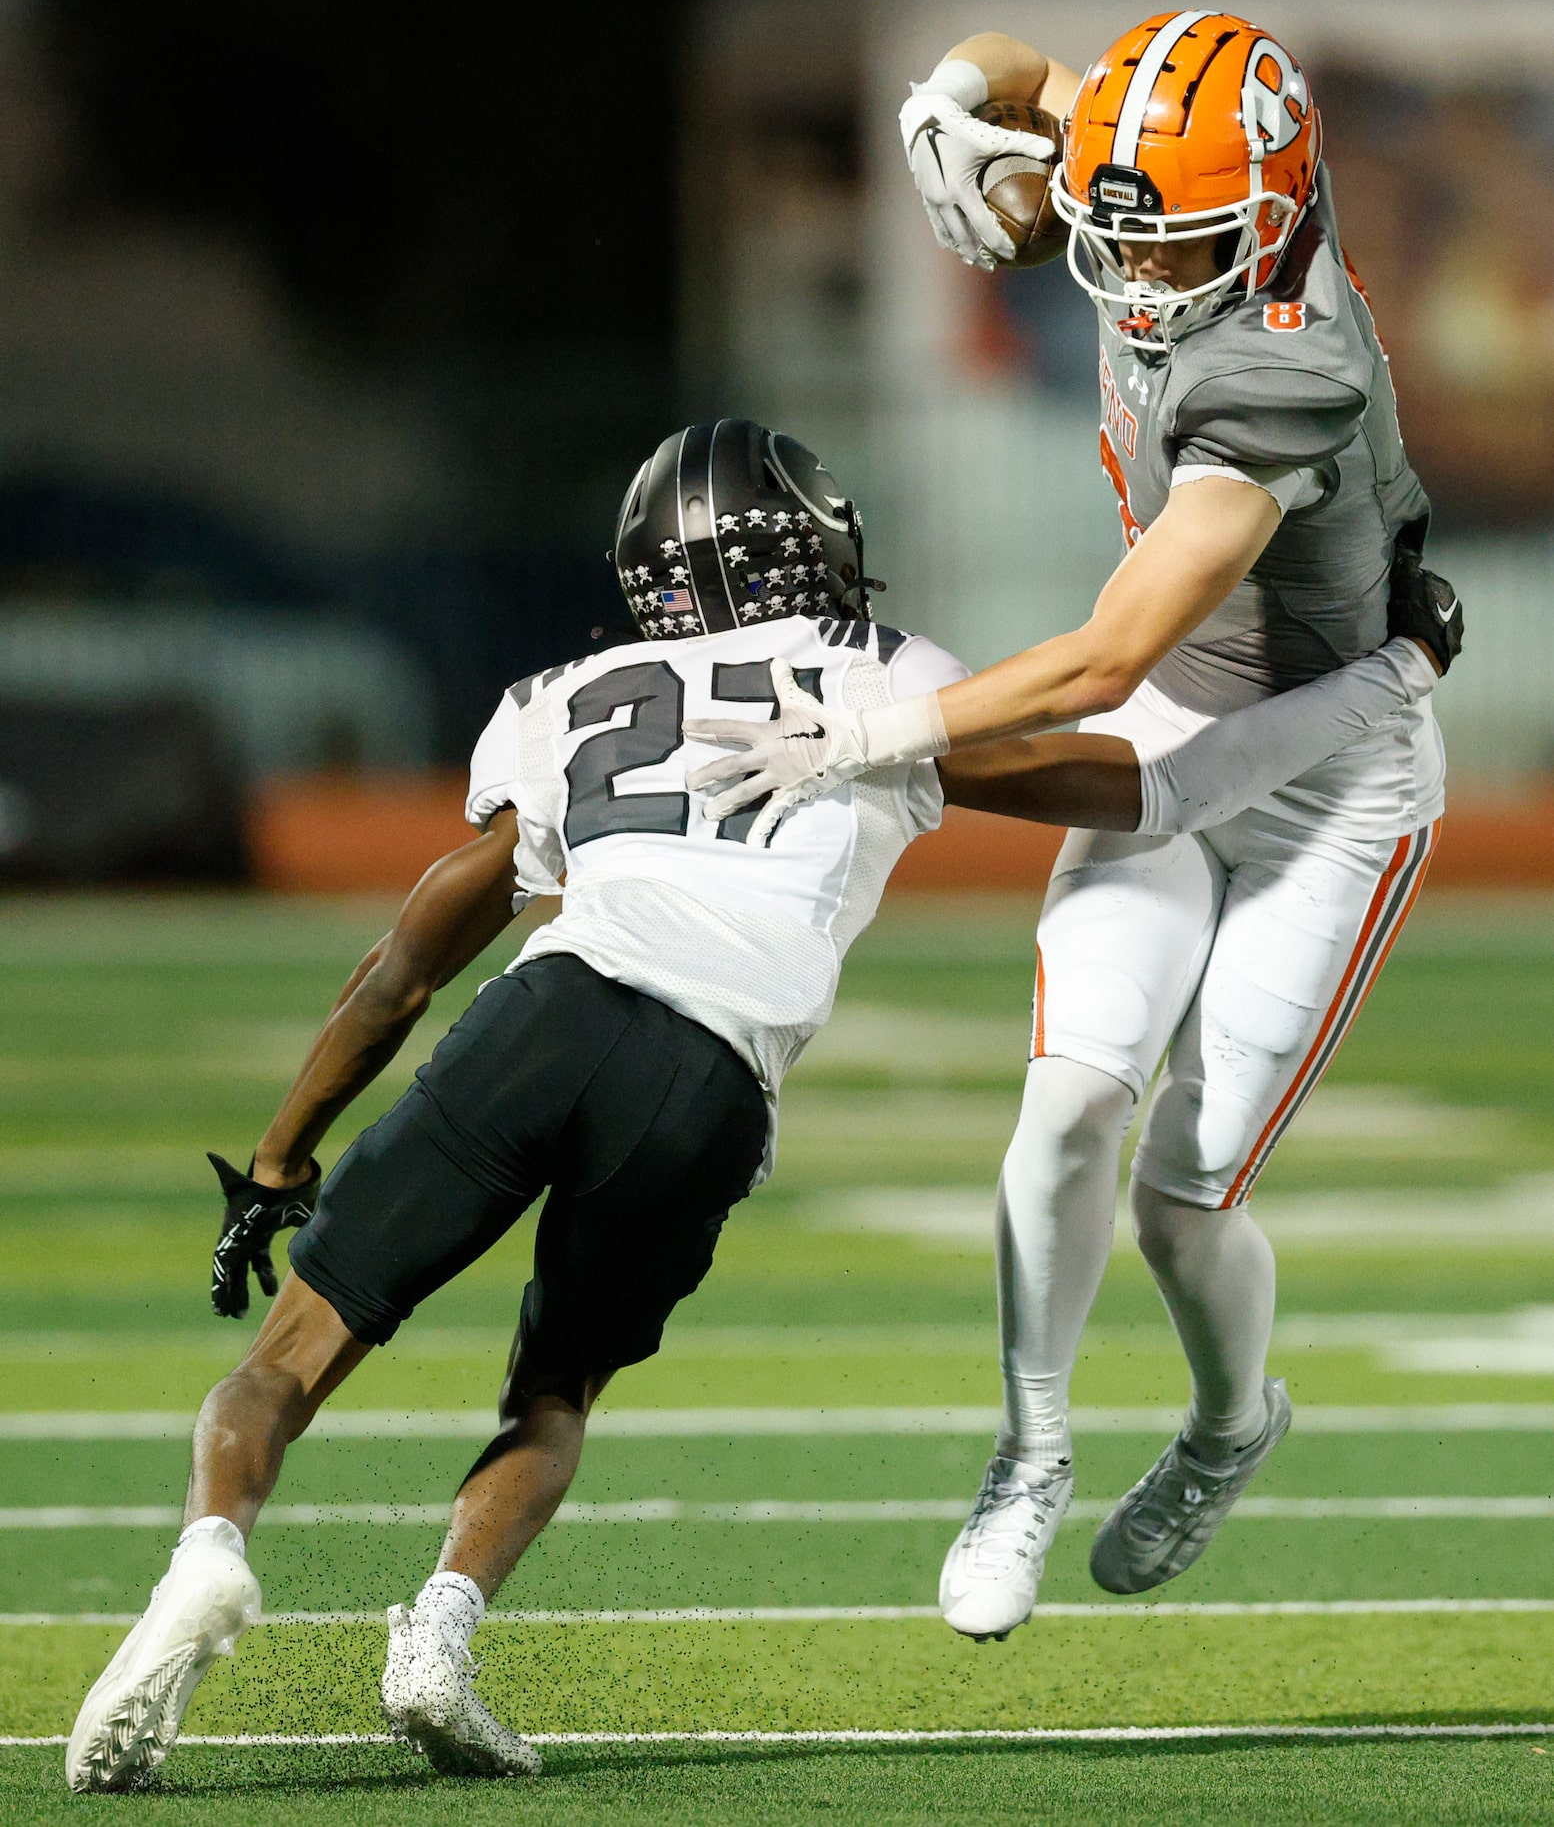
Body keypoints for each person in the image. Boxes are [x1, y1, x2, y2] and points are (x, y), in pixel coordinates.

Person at [66, 417, 1447, 1792]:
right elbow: (1165, 791)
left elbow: (408, 958)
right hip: (711, 1077)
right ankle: (438, 1630)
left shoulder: (562, 691)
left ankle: (207, 1556)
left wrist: (279, 1152)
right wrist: (1394, 671)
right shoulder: (887, 676)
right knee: (557, 1389)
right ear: (807, 543)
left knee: (288, 1356)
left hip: (548, 1011)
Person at [690, 16, 1464, 1644]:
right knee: (1061, 1112)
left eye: (1169, 244)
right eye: (1114, 234)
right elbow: (1015, 68)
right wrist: (939, 109)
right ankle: (1027, 1454)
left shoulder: (1283, 368)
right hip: (1177, 727)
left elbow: (1105, 650)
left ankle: (1227, 1424)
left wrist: (881, 729)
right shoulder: (1152, 156)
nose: (1128, 276)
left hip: (1325, 777)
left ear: (1270, 215)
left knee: (1182, 1194)